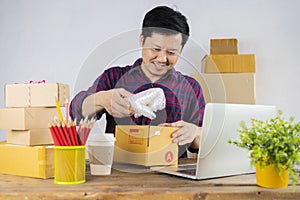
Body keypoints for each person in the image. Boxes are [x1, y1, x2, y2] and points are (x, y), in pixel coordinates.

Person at [70, 5, 205, 158]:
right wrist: (102, 99)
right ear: (142, 40)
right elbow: (75, 112)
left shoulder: (190, 88)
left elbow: (207, 141)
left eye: (171, 52)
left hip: (172, 175)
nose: (162, 58)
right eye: (155, 49)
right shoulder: (114, 77)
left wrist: (195, 132)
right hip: (120, 174)